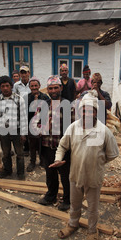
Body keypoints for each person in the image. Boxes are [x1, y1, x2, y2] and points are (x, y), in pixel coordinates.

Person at [51, 90, 119, 240]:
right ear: (79, 111)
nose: (87, 112)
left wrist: (98, 163)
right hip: (75, 175)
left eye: (91, 109)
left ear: (96, 112)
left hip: (93, 177)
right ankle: (73, 224)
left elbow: (112, 154)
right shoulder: (73, 128)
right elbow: (62, 145)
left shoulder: (104, 131)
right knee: (75, 204)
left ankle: (92, 231)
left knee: (93, 208)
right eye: (84, 109)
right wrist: (58, 159)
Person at [30, 76, 73, 211]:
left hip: (63, 148)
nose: (53, 90)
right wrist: (43, 128)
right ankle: (51, 196)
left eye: (56, 87)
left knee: (66, 176)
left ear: (61, 88)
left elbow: (74, 128)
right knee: (50, 174)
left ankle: (67, 199)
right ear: (47, 90)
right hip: (47, 146)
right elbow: (34, 126)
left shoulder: (68, 106)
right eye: (50, 88)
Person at [0, 75, 28, 180]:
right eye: (2, 86)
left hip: (16, 130)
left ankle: (20, 173)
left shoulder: (18, 99)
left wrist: (23, 133)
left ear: (11, 86)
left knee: (19, 153)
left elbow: (23, 117)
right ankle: (7, 171)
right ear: (0, 87)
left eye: (7, 86)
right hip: (3, 131)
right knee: (6, 153)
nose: (5, 88)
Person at [26, 77, 50, 172]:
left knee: (42, 144)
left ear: (39, 86)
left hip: (42, 125)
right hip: (31, 126)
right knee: (32, 145)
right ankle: (32, 162)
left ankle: (42, 161)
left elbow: (48, 111)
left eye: (36, 85)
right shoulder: (26, 98)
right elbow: (25, 113)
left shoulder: (45, 97)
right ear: (29, 87)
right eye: (32, 86)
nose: (34, 87)